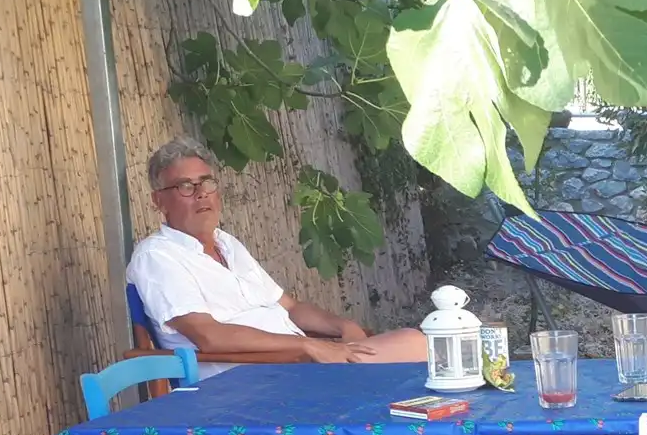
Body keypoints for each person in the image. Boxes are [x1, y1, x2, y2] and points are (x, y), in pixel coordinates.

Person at [126, 137, 428, 378]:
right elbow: (209, 336)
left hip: (294, 364)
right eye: (185, 186)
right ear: (159, 201)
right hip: (244, 381)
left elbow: (291, 308)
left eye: (206, 182)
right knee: (415, 350)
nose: (201, 193)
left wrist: (341, 326)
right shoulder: (157, 256)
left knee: (417, 344)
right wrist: (308, 346)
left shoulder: (227, 244)